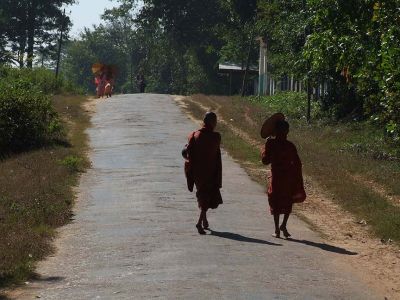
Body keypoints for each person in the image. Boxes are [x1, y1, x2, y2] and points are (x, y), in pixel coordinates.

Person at [261, 119, 305, 238]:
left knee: (275, 201)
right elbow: (297, 163)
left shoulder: (271, 143)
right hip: (289, 177)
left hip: (277, 178)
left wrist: (265, 147)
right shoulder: (290, 146)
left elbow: (265, 161)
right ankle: (283, 225)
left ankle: (276, 229)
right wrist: (297, 178)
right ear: (287, 132)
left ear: (275, 131)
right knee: (288, 201)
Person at [182, 112, 223, 235]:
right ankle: (199, 223)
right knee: (206, 197)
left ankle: (204, 220)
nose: (216, 124)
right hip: (209, 172)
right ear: (211, 122)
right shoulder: (216, 137)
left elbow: (186, 151)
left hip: (197, 173)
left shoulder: (194, 135)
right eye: (215, 121)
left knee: (202, 195)